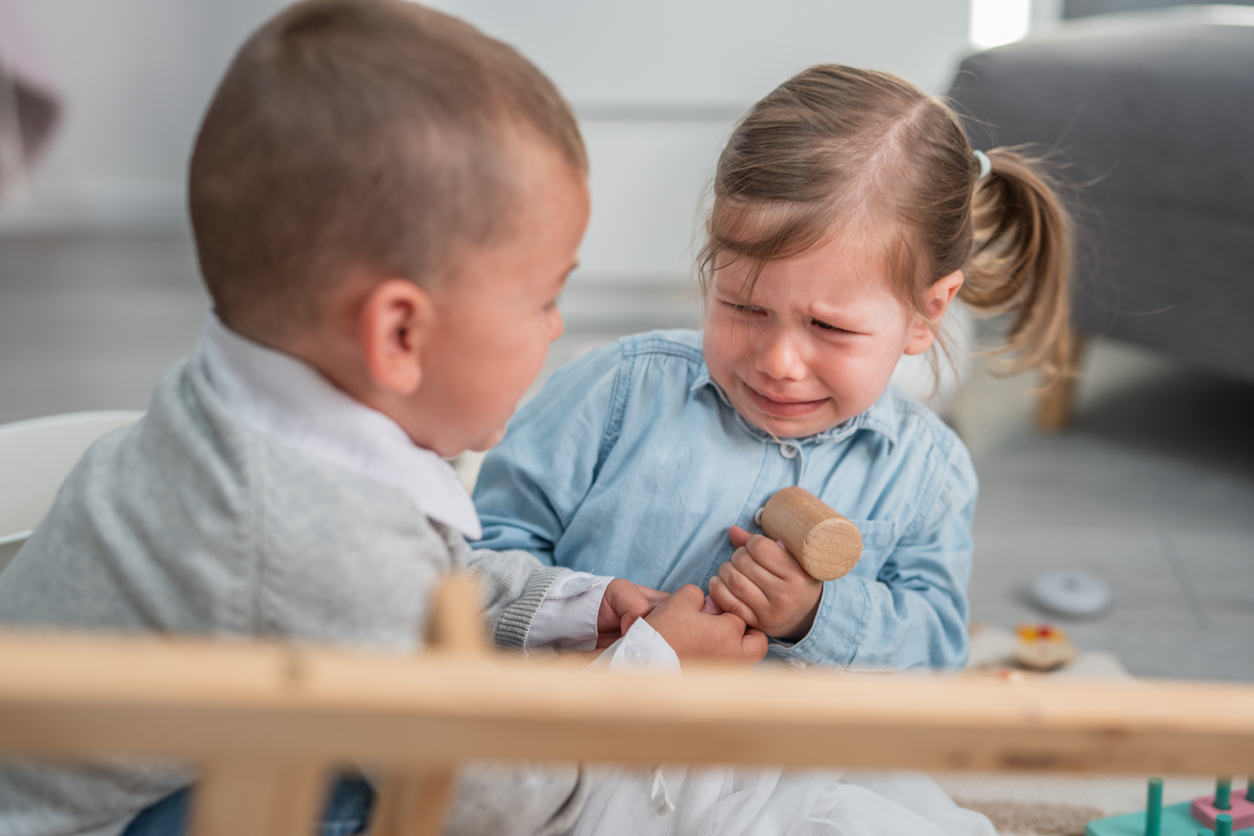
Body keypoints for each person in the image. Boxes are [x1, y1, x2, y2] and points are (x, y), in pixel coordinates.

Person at [0, 3, 766, 835]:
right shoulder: (309, 531)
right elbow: (499, 797)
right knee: (394, 794)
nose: (556, 328)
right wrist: (651, 672)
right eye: (543, 298)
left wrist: (570, 606)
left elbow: (407, 589)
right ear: (400, 335)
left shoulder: (243, 409)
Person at [474, 64, 1073, 671]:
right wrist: (582, 605)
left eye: (829, 327)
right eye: (743, 306)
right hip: (589, 739)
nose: (779, 363)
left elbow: (935, 652)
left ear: (927, 312)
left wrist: (815, 616)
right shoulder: (614, 393)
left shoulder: (927, 475)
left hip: (784, 761)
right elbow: (469, 559)